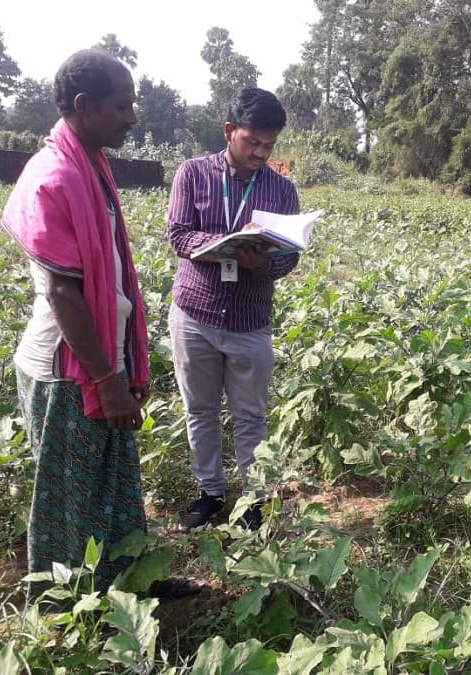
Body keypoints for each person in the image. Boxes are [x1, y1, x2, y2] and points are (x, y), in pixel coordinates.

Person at [1, 49, 152, 598]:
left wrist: (121, 363)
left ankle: (127, 588)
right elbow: (64, 294)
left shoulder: (92, 164)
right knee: (69, 504)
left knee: (111, 488)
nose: (132, 117)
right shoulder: (54, 176)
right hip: (69, 372)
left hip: (97, 361)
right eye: (122, 105)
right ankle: (62, 614)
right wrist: (107, 380)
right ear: (84, 106)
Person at [166, 88, 300, 531]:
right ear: (229, 132)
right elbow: (180, 236)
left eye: (269, 145)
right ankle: (209, 494)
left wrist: (262, 262)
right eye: (252, 143)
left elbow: (290, 256)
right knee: (200, 410)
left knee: (250, 416)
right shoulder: (193, 174)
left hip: (249, 320)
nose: (261, 153)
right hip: (194, 314)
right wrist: (218, 246)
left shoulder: (282, 190)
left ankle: (254, 502)